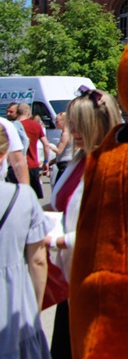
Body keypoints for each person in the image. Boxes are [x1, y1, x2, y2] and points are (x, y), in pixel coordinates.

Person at [45, 86, 123, 358]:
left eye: (80, 123)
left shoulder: (114, 166)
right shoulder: (79, 160)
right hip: (70, 279)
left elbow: (112, 231)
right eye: (71, 122)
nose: (72, 129)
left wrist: (57, 240)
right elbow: (59, 205)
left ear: (99, 124)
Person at [0, 124, 50, 359]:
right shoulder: (23, 197)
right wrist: (35, 308)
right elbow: (38, 261)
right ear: (4, 154)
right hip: (12, 304)